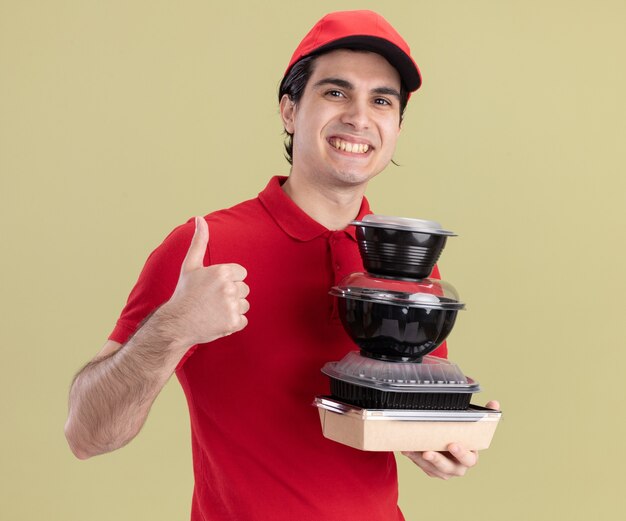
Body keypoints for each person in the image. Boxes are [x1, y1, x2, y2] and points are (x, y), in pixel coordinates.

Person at [65, 10, 498, 521]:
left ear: (397, 127)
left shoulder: (406, 269)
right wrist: (174, 325)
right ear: (290, 111)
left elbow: (394, 418)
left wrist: (441, 441)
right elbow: (86, 434)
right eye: (335, 93)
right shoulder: (202, 249)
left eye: (381, 100)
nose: (359, 117)